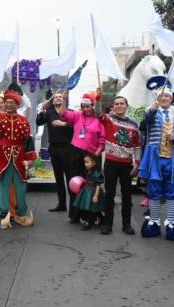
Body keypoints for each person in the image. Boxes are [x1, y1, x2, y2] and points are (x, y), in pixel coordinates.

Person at [138, 86, 174, 241]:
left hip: (172, 159)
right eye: (161, 96)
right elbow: (144, 123)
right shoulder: (150, 111)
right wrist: (152, 110)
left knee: (172, 191)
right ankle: (154, 222)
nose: (164, 99)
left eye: (167, 96)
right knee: (154, 190)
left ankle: (171, 224)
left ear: (171, 98)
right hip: (154, 157)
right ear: (157, 98)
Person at [0, 88, 37, 229]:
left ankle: (21, 214)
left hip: (19, 158)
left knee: (21, 188)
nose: (8, 105)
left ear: (17, 105)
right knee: (2, 187)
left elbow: (28, 141)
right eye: (6, 102)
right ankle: (4, 216)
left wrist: (31, 158)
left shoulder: (23, 121)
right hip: (2, 157)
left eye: (11, 102)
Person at [59, 91, 105, 223]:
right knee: (75, 184)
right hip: (76, 152)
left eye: (88, 106)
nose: (86, 109)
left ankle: (90, 216)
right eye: (83, 106)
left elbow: (102, 140)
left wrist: (95, 156)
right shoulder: (78, 116)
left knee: (91, 185)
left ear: (92, 106)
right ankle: (75, 215)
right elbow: (63, 113)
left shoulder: (99, 119)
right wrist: (63, 99)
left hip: (92, 155)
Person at [99, 95, 141, 235]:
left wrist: (137, 164)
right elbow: (98, 113)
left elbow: (137, 146)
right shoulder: (108, 119)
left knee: (127, 196)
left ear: (126, 106)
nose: (119, 106)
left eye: (121, 103)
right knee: (109, 194)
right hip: (111, 163)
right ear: (113, 106)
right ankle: (107, 224)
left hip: (127, 165)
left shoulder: (134, 124)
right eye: (116, 104)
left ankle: (127, 224)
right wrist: (99, 97)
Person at [36, 91, 73, 213]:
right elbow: (39, 122)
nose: (58, 98)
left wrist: (63, 124)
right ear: (53, 100)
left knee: (70, 178)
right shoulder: (49, 112)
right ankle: (61, 204)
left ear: (64, 100)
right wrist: (42, 109)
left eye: (60, 97)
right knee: (58, 178)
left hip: (67, 149)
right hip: (54, 148)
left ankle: (73, 207)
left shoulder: (70, 113)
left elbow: (75, 127)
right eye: (56, 97)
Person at [72, 154, 104, 230]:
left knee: (93, 208)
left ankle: (90, 222)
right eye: (85, 162)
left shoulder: (96, 173)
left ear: (94, 163)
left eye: (87, 162)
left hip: (92, 192)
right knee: (87, 207)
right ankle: (90, 221)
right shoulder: (88, 170)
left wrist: (96, 195)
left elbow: (98, 184)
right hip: (87, 190)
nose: (85, 164)